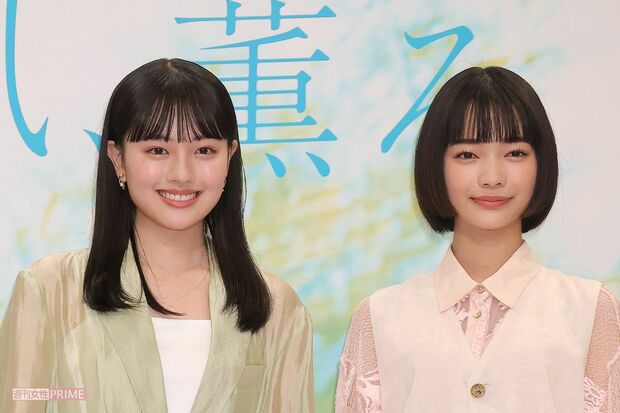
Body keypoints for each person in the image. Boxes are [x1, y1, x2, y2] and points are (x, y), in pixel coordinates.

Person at [0, 58, 314, 413]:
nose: (182, 174)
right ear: (117, 158)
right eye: (157, 150)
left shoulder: (278, 308)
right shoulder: (49, 291)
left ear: (229, 156)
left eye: (204, 151)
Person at [335, 66, 619, 412]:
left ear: (541, 164)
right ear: (435, 165)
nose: (492, 177)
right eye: (467, 155)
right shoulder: (380, 317)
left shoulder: (590, 310)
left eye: (515, 153)